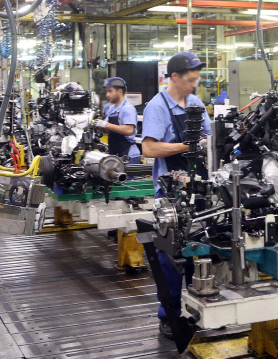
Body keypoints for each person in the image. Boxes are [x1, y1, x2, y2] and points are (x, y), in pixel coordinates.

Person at [141, 52, 211, 339]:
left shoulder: (195, 104)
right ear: (174, 78)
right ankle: (168, 315)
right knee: (170, 256)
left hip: (200, 186)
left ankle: (197, 308)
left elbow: (209, 138)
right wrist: (187, 146)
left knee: (201, 252)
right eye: (190, 80)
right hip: (171, 191)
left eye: (197, 80)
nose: (194, 85)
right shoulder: (157, 107)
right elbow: (149, 149)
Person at [94, 77, 141, 164]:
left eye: (110, 91)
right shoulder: (112, 109)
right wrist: (97, 125)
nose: (107, 94)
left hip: (129, 157)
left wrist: (106, 124)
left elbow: (129, 130)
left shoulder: (127, 109)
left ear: (119, 91)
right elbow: (108, 130)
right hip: (116, 155)